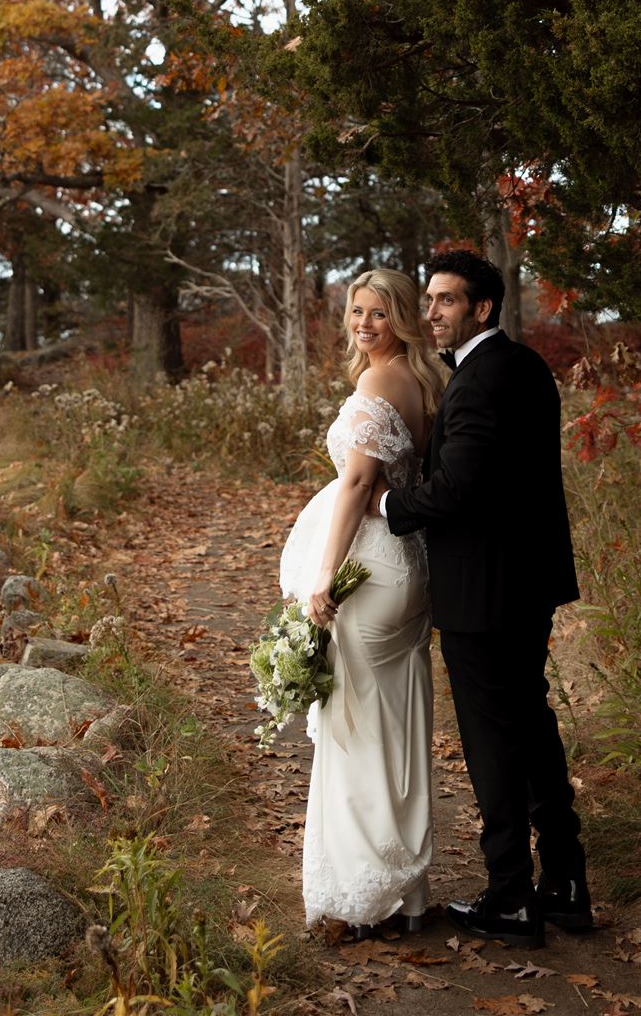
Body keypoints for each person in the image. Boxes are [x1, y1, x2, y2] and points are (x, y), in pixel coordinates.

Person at [375, 248, 591, 949]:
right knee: (529, 726)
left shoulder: (482, 380)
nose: (429, 312)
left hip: (484, 592)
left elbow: (458, 489)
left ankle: (510, 897)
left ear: (481, 308)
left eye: (443, 300)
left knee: (493, 742)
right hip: (525, 581)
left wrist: (385, 505)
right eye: (430, 299)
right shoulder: (522, 367)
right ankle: (562, 882)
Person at [278, 268, 446, 935]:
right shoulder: (422, 378)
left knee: (353, 730)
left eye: (378, 313)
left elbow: (355, 484)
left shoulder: (380, 380)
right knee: (392, 725)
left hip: (372, 569)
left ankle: (358, 898)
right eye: (355, 311)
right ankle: (403, 893)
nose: (363, 324)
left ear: (401, 318)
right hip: (406, 566)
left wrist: (322, 575)